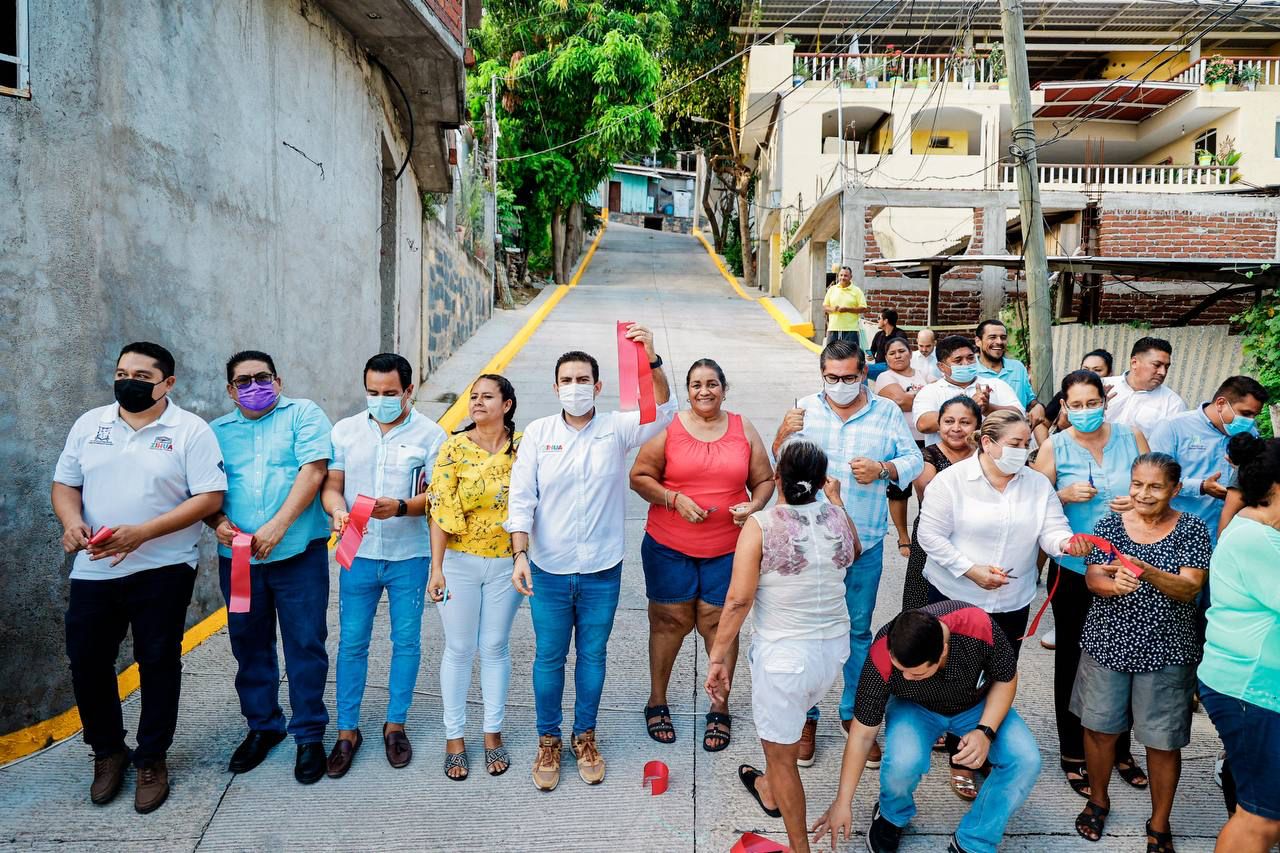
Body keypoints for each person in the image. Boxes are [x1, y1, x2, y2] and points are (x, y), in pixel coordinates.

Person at [52, 342, 227, 813]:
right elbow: (66, 484)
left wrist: (143, 533)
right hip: (94, 568)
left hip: (163, 568)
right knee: (87, 661)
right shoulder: (91, 425)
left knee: (158, 661)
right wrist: (71, 523)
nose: (129, 381)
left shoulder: (191, 431)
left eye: (142, 376)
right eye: (121, 372)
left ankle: (152, 758)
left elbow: (208, 498)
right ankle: (107, 752)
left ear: (167, 384)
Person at [507, 328, 674, 792]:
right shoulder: (538, 434)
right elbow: (521, 500)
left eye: (584, 379)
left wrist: (651, 357)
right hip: (548, 568)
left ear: (598, 387)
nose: (575, 387)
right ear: (555, 386)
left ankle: (585, 736)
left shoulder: (616, 429)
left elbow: (663, 412)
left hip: (602, 569)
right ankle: (548, 740)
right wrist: (520, 553)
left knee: (593, 656)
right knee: (549, 657)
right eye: (567, 379)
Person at [773, 339, 923, 767]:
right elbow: (780, 462)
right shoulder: (804, 408)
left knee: (858, 634)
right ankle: (807, 717)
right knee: (808, 632)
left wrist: (884, 469)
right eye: (832, 378)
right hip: (809, 543)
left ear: (864, 374)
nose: (840, 385)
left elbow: (913, 459)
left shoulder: (887, 412)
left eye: (849, 378)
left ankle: (856, 716)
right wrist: (783, 432)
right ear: (822, 374)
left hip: (866, 542)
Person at [705, 441, 860, 853]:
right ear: (822, 479)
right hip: (832, 651)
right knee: (782, 732)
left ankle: (799, 847)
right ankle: (768, 790)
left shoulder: (760, 525)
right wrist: (836, 501)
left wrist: (718, 656)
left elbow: (738, 601)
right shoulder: (837, 516)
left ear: (777, 478)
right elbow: (854, 552)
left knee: (782, 756)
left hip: (784, 658)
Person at [811, 603, 1043, 853]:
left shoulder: (978, 626)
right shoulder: (882, 651)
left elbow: (1006, 677)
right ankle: (891, 815)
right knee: (903, 763)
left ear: (943, 651)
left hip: (976, 705)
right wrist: (842, 801)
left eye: (916, 674)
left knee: (1026, 760)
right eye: (900, 670)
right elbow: (862, 734)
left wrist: (985, 731)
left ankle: (975, 840)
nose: (905, 677)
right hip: (914, 707)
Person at [630, 359, 774, 752]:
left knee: (718, 624)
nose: (704, 391)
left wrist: (755, 505)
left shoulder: (743, 428)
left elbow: (763, 480)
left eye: (712, 384)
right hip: (668, 546)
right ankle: (657, 699)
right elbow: (639, 477)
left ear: (724, 389)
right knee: (668, 622)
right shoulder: (670, 428)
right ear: (688, 390)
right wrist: (673, 499)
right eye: (696, 385)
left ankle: (719, 706)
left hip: (728, 549)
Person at [1071, 454, 1211, 851]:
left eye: (1155, 486)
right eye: (1137, 484)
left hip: (1167, 649)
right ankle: (1098, 800)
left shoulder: (1192, 530)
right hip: (1107, 643)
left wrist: (1144, 570)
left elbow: (1189, 589)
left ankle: (1159, 823)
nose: (1143, 494)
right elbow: (1094, 575)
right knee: (1099, 729)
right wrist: (1108, 585)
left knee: (1162, 740)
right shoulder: (1111, 523)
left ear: (1175, 490)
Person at [207, 351, 333, 784]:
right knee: (249, 645)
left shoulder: (304, 415)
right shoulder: (215, 432)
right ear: (230, 390)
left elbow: (313, 471)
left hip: (298, 553)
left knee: (305, 644)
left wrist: (278, 526)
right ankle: (263, 727)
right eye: (243, 381)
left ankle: (309, 734)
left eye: (262, 377)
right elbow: (205, 489)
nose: (254, 386)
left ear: (278, 380)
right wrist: (218, 523)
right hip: (240, 560)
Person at [321, 353, 446, 778]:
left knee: (406, 642)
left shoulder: (432, 435)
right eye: (372, 392)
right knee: (352, 643)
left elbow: (437, 498)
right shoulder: (345, 431)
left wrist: (402, 507)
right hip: (356, 551)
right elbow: (332, 487)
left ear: (408, 390)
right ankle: (347, 730)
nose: (380, 400)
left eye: (389, 393)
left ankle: (396, 724)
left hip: (409, 556)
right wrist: (337, 511)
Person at [1030, 369, 1150, 800]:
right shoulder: (1054, 445)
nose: (1084, 412)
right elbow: (1031, 503)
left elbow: (1153, 487)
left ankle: (1120, 749)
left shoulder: (1130, 436)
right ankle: (1073, 752)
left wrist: (1136, 500)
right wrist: (1061, 496)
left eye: (1091, 402)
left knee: (1127, 656)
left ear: (1105, 400)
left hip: (1127, 565)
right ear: (1064, 406)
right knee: (1074, 660)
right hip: (1074, 569)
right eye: (1075, 405)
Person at [918, 410, 1090, 650]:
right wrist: (970, 570)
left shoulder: (1037, 484)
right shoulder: (950, 481)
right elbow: (929, 536)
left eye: (1026, 443)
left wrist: (1065, 543)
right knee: (953, 675)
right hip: (955, 596)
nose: (1022, 450)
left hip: (1012, 601)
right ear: (987, 443)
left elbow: (1052, 527)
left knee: (1002, 673)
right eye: (1014, 444)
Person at [427, 374, 522, 781]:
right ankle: (454, 738)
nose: (478, 403)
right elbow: (439, 509)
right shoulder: (452, 448)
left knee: (496, 646)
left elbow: (531, 502)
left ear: (507, 404)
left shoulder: (522, 450)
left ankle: (492, 734)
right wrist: (436, 567)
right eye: (474, 397)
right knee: (460, 648)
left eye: (487, 397)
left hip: (505, 564)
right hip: (459, 563)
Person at [1198, 435, 1280, 853]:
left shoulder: (1260, 526)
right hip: (1252, 690)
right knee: (1260, 819)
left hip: (1256, 687)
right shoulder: (1257, 541)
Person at [1149, 375, 1269, 546]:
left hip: (1227, 538)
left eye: (1254, 416)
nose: (1250, 422)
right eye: (1246, 414)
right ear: (1221, 403)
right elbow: (1154, 480)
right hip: (1179, 536)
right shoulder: (1173, 427)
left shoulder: (1251, 435)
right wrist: (1201, 487)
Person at [903, 397, 981, 612]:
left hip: (976, 537)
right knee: (924, 607)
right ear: (939, 424)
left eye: (965, 422)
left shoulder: (985, 457)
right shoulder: (927, 457)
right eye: (948, 421)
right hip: (933, 538)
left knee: (966, 608)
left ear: (978, 426)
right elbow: (930, 494)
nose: (956, 428)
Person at [911, 335, 1022, 447]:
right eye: (958, 360)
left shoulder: (996, 384)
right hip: (947, 461)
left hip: (992, 458)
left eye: (970, 358)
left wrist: (989, 408)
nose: (966, 363)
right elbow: (923, 424)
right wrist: (969, 406)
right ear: (941, 367)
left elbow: (1019, 416)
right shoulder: (930, 391)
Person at [874, 338, 930, 557]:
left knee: (926, 487)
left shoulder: (923, 374)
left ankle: (926, 533)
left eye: (901, 351)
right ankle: (903, 535)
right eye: (892, 353)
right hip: (898, 439)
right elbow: (900, 401)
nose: (897, 356)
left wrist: (914, 397)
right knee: (899, 490)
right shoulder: (884, 377)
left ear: (910, 353)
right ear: (886, 358)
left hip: (926, 438)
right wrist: (926, 397)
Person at [1103, 337, 1186, 434]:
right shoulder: (1101, 385)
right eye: (1157, 365)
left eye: (1166, 367)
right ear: (1134, 363)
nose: (1163, 372)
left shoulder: (1173, 404)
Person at [1041, 349, 1113, 441]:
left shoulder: (1119, 398)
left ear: (1110, 373)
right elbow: (1043, 424)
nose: (1089, 374)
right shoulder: (1066, 394)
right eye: (1085, 369)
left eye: (1097, 370)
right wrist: (1044, 447)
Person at [973, 319, 1035, 411]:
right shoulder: (971, 370)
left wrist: (1038, 407)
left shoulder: (1017, 368)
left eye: (1003, 337)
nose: (999, 342)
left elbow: (1030, 400)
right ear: (978, 341)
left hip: (1017, 423)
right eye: (992, 337)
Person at [822, 265, 867, 347]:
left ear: (851, 277)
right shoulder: (832, 289)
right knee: (831, 356)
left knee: (850, 355)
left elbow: (863, 308)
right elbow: (825, 307)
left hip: (851, 330)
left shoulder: (857, 291)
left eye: (845, 275)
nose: (843, 278)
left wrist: (847, 309)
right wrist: (832, 309)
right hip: (833, 329)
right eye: (841, 275)